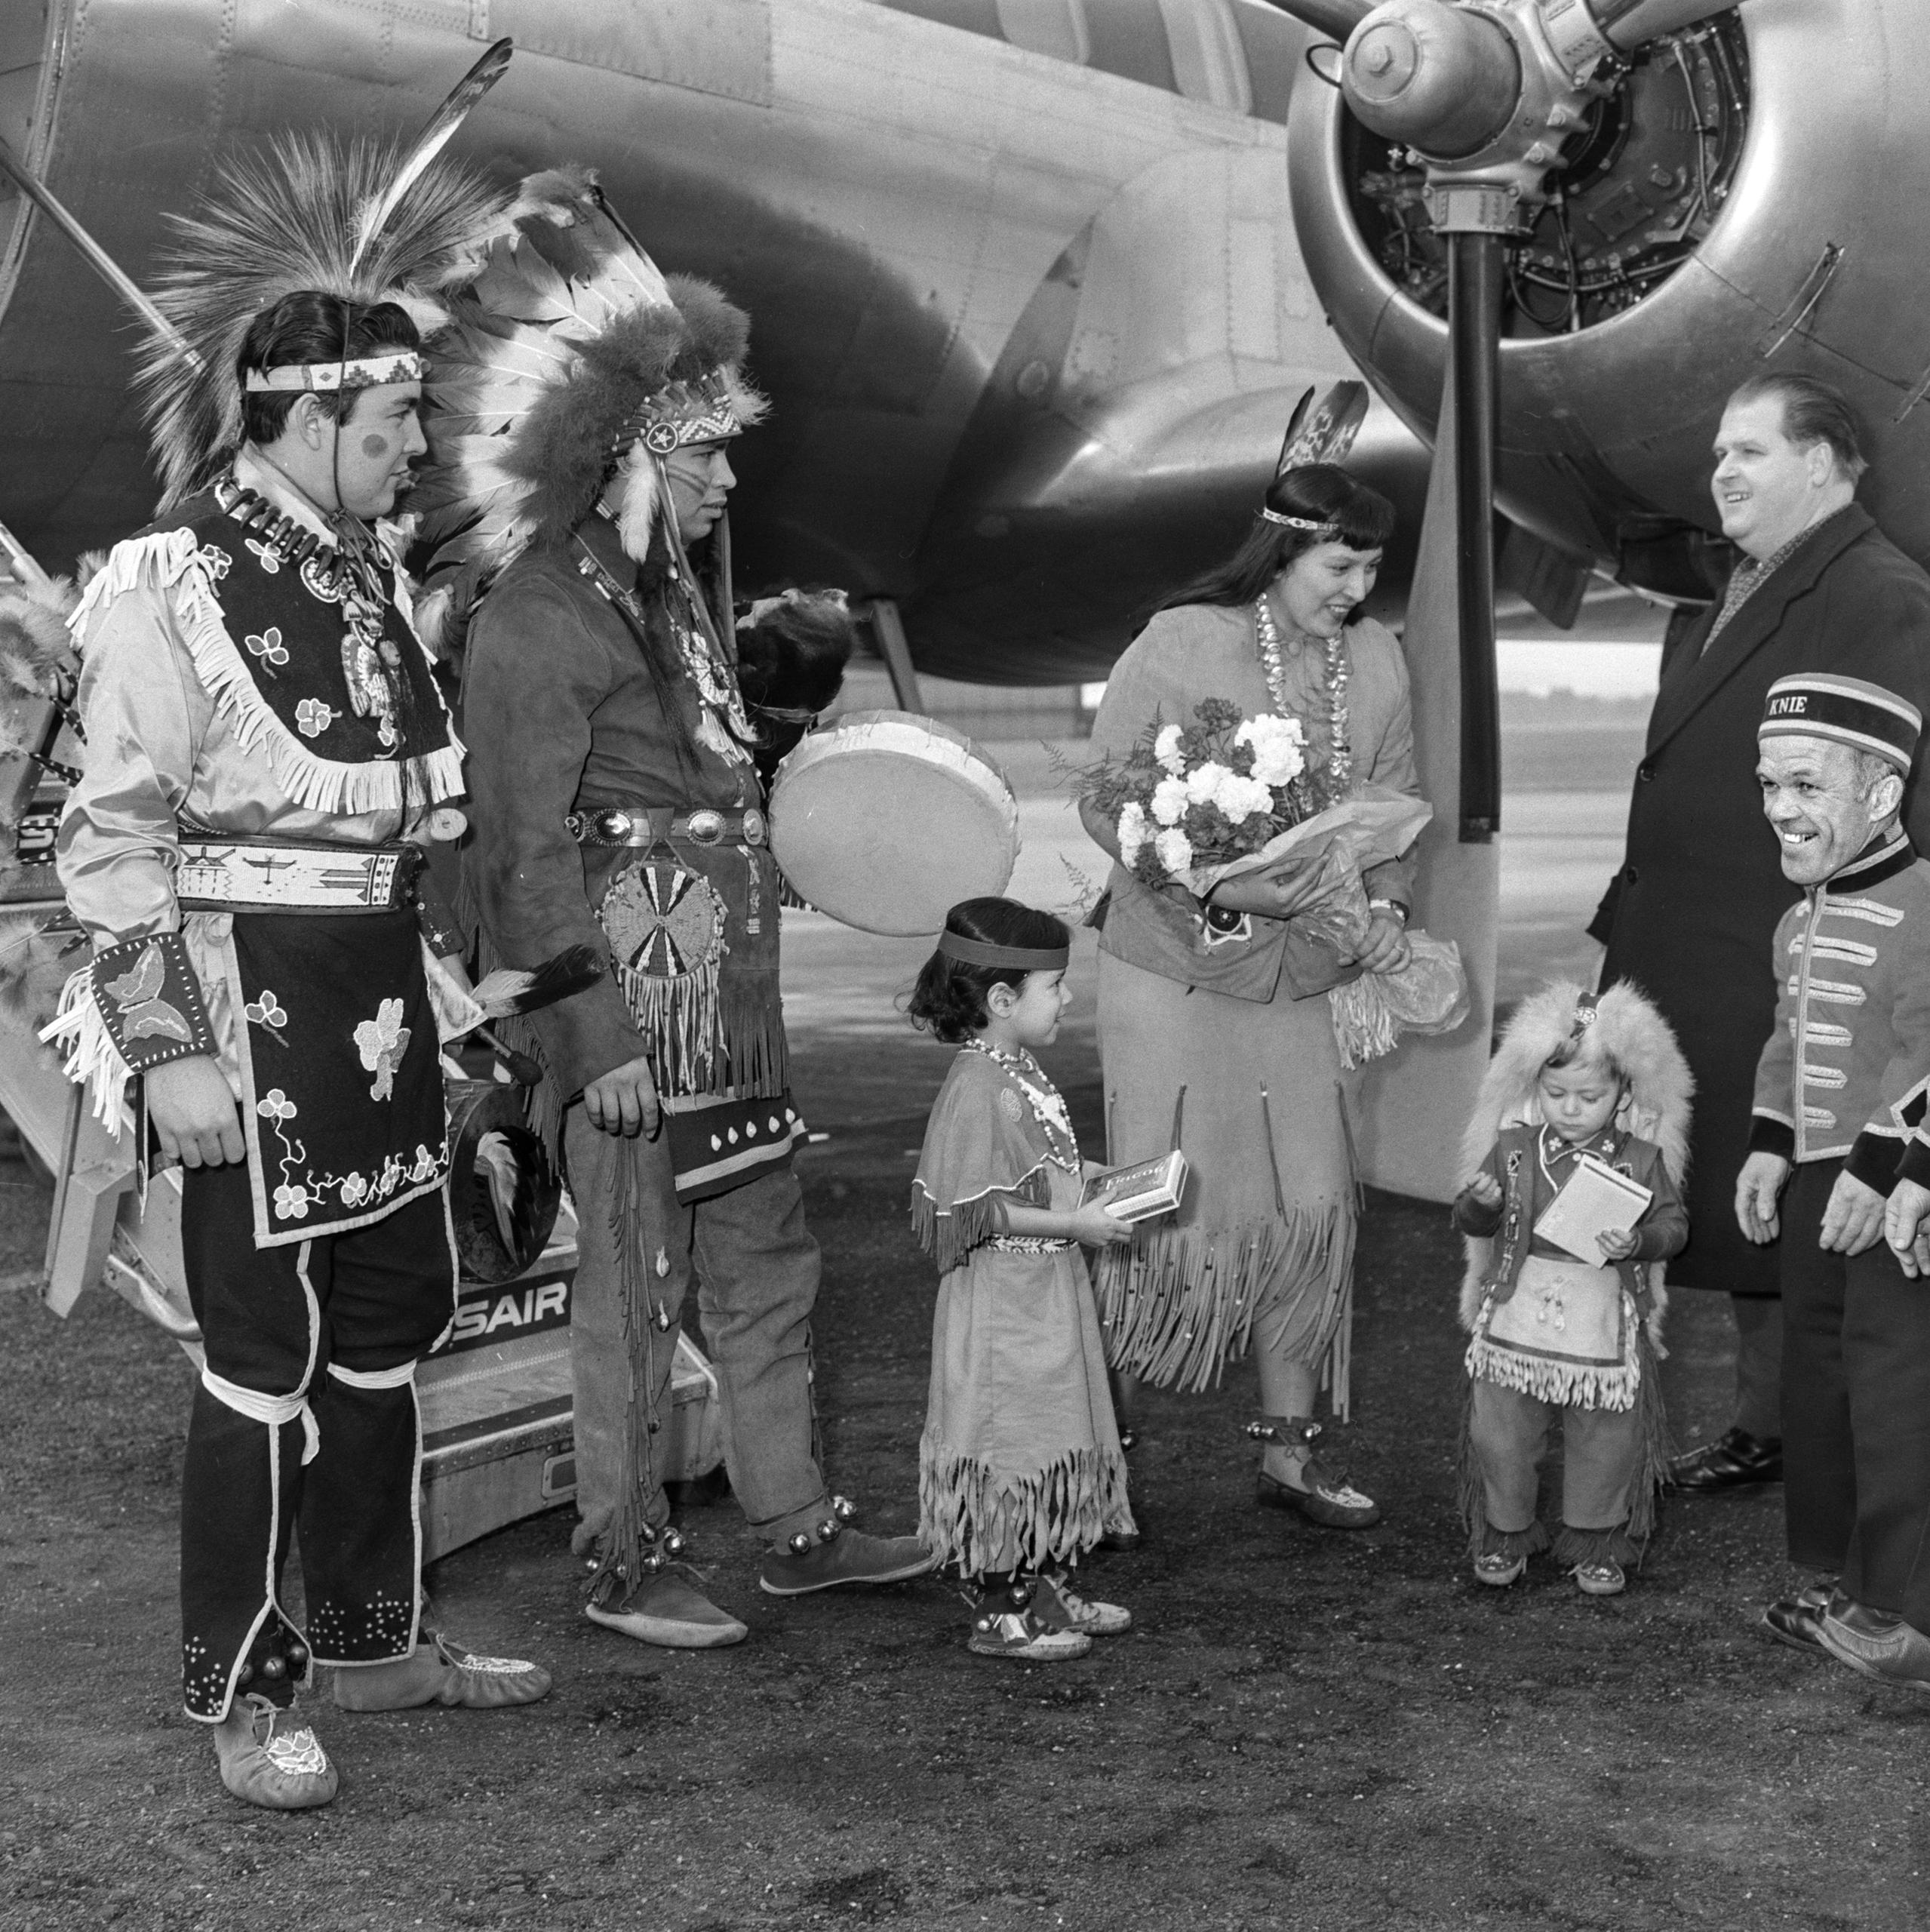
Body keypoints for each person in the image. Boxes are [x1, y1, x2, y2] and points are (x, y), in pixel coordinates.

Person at [44, 138, 549, 1812]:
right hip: (239, 1006)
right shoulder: (166, 583)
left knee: (394, 1314)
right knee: (261, 1346)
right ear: (305, 414)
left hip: (379, 1003)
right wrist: (163, 1046)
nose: (418, 445)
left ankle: (371, 1629)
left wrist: (458, 1007)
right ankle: (247, 1684)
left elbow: (386, 839)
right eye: (393, 419)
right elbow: (107, 836)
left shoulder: (366, 582)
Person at [423, 166, 935, 1651]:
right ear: (630, 453)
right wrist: (596, 1041)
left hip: (729, 1012)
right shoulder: (536, 618)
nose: (724, 481)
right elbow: (521, 853)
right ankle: (623, 1551)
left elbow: (707, 801)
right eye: (702, 454)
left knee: (768, 1261)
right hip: (630, 1027)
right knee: (635, 1285)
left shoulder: (668, 608)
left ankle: (793, 1522)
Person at [1590, 374, 1930, 1497]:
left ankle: (1810, 1437)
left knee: (1802, 1186)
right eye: (1717, 457)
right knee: (1751, 1191)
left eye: (1750, 453)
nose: (1720, 475)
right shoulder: (1736, 587)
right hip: (1697, 941)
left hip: (1789, 958)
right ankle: (1769, 1422)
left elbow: (1891, 804)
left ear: (1826, 464)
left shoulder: (1879, 594)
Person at [1078, 463, 1419, 1527]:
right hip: (1171, 970)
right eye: (1338, 564)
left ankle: (1291, 1454)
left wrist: (1391, 909)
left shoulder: (1375, 659)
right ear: (1281, 552)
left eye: (1371, 566)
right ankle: (1103, 1460)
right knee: (1157, 1210)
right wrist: (1191, 872)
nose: (1356, 589)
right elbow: (1103, 794)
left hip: (1301, 981)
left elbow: (1399, 804)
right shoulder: (1180, 639)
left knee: (1306, 1211)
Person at [1736, 674, 1930, 1684]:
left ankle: (1907, 1609)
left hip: (1891, 1194)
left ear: (1882, 796)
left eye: (1806, 786)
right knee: (1814, 1387)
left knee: (1893, 1391)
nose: (1779, 808)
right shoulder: (1795, 921)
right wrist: (1771, 1145)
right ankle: (1824, 1572)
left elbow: (1924, 1052)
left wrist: (1877, 1164)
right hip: (1817, 1187)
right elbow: (1786, 1041)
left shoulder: (1921, 906)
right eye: (1769, 784)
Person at [906, 897, 1137, 1661]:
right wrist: (1077, 1224)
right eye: (1055, 986)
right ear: (1001, 1000)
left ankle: (1039, 1584)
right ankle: (1003, 1615)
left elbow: (1033, 1173)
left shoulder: (1014, 1069)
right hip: (1005, 1308)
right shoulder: (978, 1087)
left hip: (1039, 1295)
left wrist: (1109, 1181)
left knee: (1041, 1439)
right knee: (1008, 1446)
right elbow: (982, 1206)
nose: (1067, 998)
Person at [1452, 983, 1691, 1597]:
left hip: (1602, 1313)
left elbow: (1672, 1226)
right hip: (1515, 1308)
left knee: (1608, 1435)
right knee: (1500, 1431)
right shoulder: (1511, 1152)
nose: (1571, 1108)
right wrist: (1478, 1206)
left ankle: (1598, 1541)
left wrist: (1638, 1244)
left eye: (1591, 1096)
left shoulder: (1640, 1158)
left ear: (1623, 1094)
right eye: (1556, 1094)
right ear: (1535, 1087)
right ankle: (1503, 1534)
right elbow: (1474, 1221)